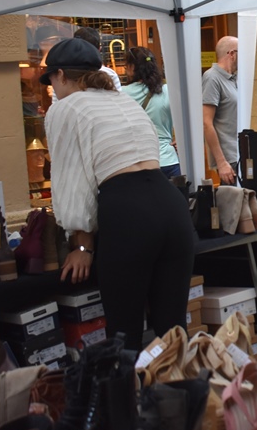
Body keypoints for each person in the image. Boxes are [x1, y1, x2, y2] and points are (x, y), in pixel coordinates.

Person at [42, 38, 194, 350]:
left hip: (129, 215)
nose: (52, 89)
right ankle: (183, 396)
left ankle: (127, 398)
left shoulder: (64, 109)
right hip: (172, 208)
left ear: (60, 75)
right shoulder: (123, 100)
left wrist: (81, 246)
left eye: (51, 81)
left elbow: (73, 181)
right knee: (173, 334)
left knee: (124, 336)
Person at [124, 46, 181, 178]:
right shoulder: (168, 91)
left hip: (138, 162)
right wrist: (181, 139)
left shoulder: (122, 94)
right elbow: (190, 117)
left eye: (127, 65)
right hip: (169, 160)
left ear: (132, 67)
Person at [202, 36, 239, 185]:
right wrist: (221, 162)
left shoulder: (235, 77)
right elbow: (206, 123)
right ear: (231, 54)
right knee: (233, 204)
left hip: (240, 152)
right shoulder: (212, 78)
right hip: (229, 158)